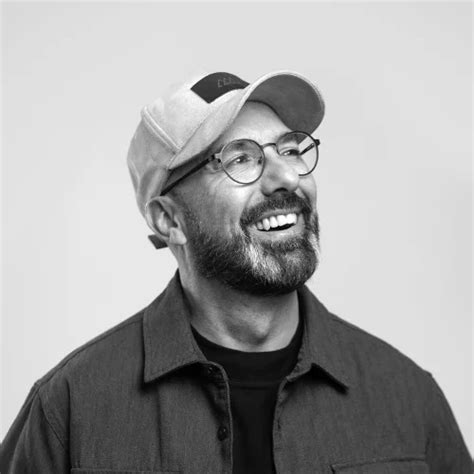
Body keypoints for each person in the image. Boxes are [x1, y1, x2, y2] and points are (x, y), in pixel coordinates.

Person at [1, 71, 471, 473]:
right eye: (241, 159)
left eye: (291, 149)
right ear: (169, 220)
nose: (287, 177)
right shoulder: (71, 408)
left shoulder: (408, 397)